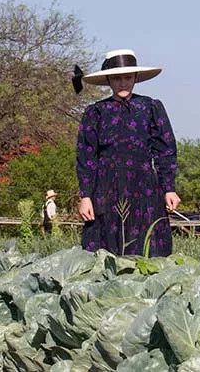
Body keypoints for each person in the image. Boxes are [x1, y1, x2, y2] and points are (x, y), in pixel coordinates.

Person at [75, 49, 181, 256]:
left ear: (135, 78)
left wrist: (169, 188)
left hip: (145, 186)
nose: (123, 83)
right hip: (105, 187)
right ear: (108, 79)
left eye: (127, 77)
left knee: (149, 246)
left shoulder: (151, 107)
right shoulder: (96, 112)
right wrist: (85, 196)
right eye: (117, 78)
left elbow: (165, 149)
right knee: (105, 247)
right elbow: (86, 156)